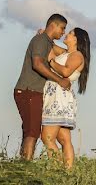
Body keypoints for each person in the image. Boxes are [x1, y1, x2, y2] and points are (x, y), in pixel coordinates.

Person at [13, 13, 72, 160]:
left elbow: (67, 53)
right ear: (53, 25)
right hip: (29, 91)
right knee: (32, 133)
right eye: (62, 28)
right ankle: (25, 168)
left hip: (34, 92)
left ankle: (22, 167)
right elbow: (37, 64)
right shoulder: (40, 40)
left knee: (30, 132)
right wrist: (60, 80)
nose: (63, 32)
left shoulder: (46, 42)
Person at [40, 27, 91, 169]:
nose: (66, 34)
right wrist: (44, 36)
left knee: (47, 138)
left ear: (76, 39)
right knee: (64, 139)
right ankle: (68, 172)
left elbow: (66, 71)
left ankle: (58, 171)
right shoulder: (67, 53)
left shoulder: (77, 55)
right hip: (57, 96)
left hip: (58, 99)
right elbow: (51, 47)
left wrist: (51, 62)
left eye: (70, 33)